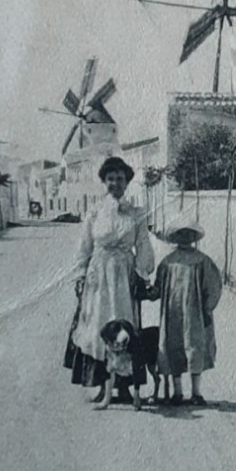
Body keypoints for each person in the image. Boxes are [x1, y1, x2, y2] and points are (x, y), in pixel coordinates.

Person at [64, 156, 155, 394]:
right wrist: (81, 276)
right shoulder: (94, 212)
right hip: (98, 276)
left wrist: (143, 275)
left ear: (127, 183)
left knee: (125, 324)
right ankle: (102, 387)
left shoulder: (136, 213)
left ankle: (124, 387)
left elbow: (143, 245)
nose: (115, 183)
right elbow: (84, 247)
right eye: (110, 179)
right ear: (104, 182)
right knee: (98, 324)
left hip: (125, 276)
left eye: (120, 179)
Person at [155, 215, 222, 406]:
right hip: (172, 312)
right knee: (173, 346)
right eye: (180, 233)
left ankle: (196, 392)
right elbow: (158, 286)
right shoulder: (168, 262)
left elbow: (213, 287)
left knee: (194, 347)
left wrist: (207, 309)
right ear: (174, 237)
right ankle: (177, 392)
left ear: (194, 236)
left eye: (188, 233)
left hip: (194, 314)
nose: (184, 237)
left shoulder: (202, 261)